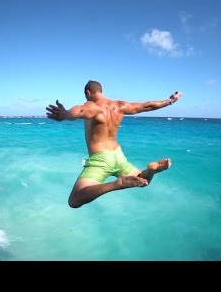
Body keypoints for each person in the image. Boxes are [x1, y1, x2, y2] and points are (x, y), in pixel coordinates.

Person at [46, 80, 182, 208]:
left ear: (88, 93)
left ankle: (118, 184)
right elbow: (147, 106)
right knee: (143, 180)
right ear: (101, 90)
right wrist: (170, 101)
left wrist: (66, 114)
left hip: (101, 159)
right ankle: (152, 170)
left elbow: (81, 110)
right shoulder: (119, 105)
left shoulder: (93, 106)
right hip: (118, 155)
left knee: (74, 200)